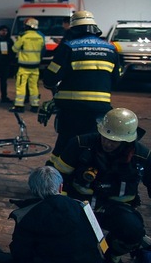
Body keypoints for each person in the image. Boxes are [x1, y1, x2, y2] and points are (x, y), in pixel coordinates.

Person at [50, 108, 151, 263]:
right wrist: (60, 206)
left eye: (114, 141)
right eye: (106, 137)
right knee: (70, 249)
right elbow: (56, 178)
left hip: (116, 209)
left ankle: (113, 255)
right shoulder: (80, 144)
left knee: (133, 231)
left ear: (126, 140)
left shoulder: (142, 156)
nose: (108, 143)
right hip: (80, 205)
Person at [43, 10, 121, 162]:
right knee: (93, 145)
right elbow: (116, 80)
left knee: (65, 144)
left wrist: (51, 86)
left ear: (74, 29)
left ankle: (55, 177)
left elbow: (50, 78)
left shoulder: (69, 47)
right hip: (100, 109)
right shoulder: (111, 49)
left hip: (72, 109)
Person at [10, 18, 44, 113]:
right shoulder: (40, 37)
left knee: (21, 86)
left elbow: (14, 49)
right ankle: (34, 105)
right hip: (35, 67)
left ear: (27, 26)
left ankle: (19, 106)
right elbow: (42, 49)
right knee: (33, 86)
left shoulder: (23, 37)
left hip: (24, 67)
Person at [0, 25, 15, 103]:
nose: (4, 32)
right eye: (2, 30)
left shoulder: (9, 40)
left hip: (5, 64)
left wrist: (10, 60)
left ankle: (4, 97)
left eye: (5, 31)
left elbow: (13, 52)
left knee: (4, 82)